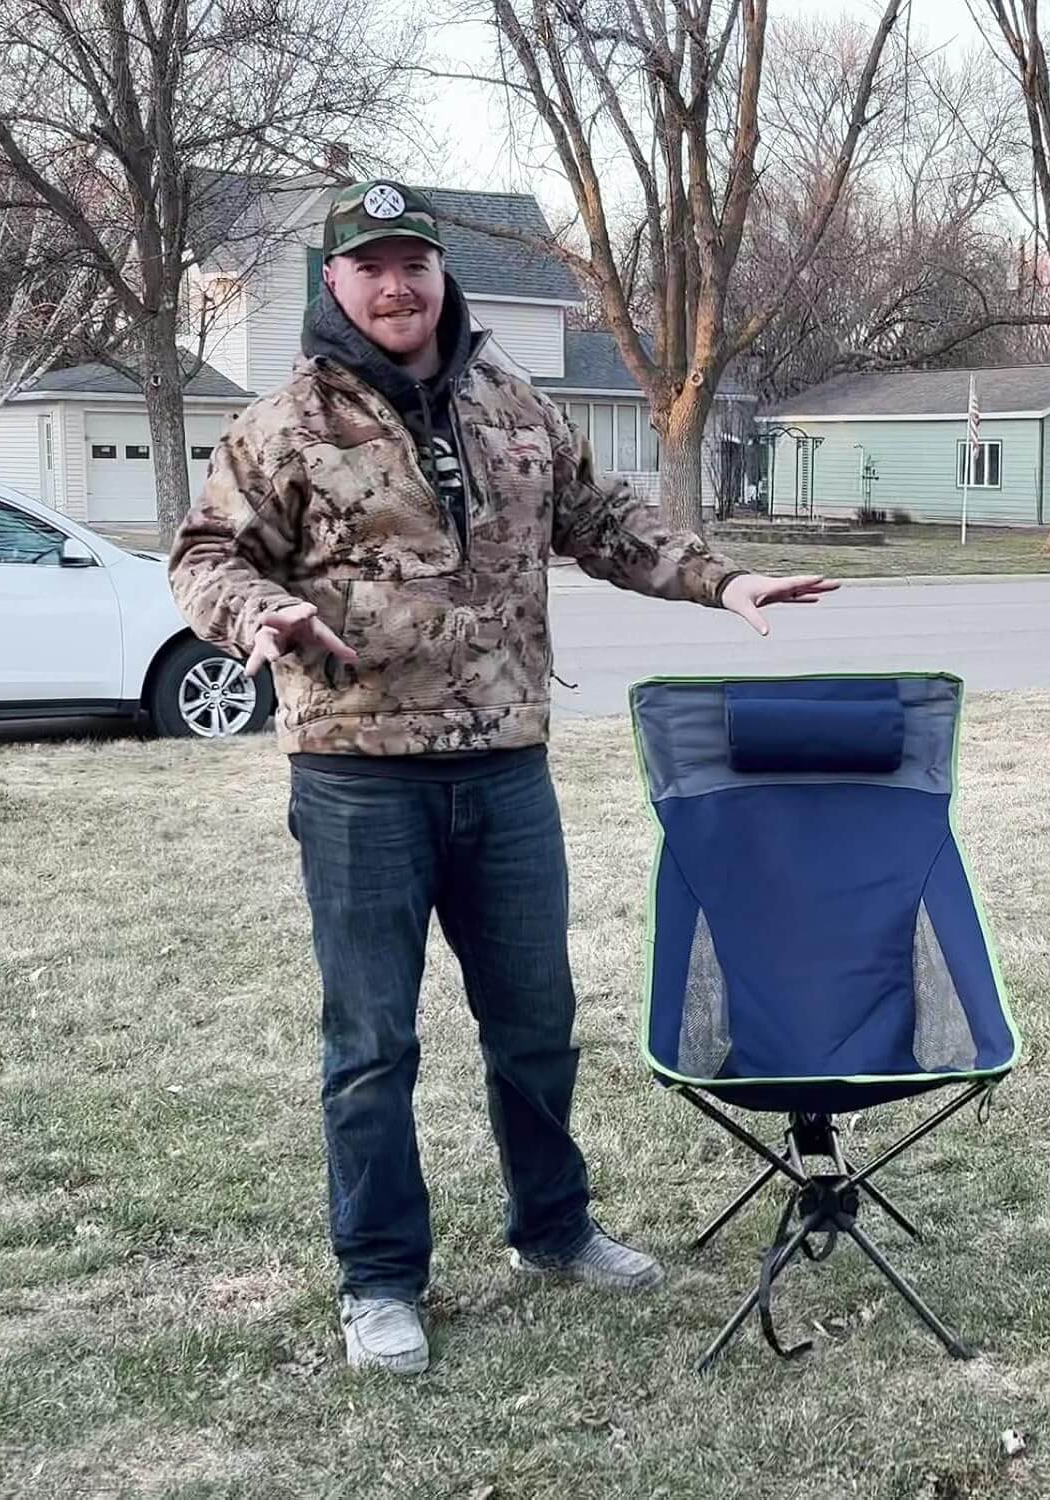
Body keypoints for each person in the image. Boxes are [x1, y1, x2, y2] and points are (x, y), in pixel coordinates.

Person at [168, 180, 836, 1376]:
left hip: (505, 768)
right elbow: (208, 552)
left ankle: (553, 1227)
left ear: (437, 271)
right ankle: (381, 1279)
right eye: (368, 266)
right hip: (359, 775)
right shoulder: (283, 424)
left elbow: (601, 519)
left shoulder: (511, 398)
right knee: (372, 1043)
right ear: (335, 282)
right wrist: (258, 612)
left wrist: (722, 582)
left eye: (411, 262)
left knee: (534, 1024)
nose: (394, 285)